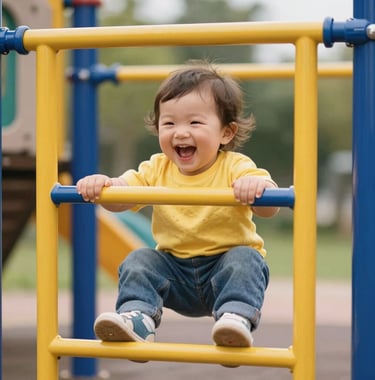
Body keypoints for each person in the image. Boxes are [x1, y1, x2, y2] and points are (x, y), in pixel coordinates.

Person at [77, 61, 279, 348]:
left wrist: (257, 188)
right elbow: (122, 196)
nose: (180, 132)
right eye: (169, 123)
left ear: (226, 132)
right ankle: (139, 319)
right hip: (174, 274)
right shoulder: (156, 168)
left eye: (195, 122)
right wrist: (104, 186)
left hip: (222, 274)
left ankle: (235, 319)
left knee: (246, 259)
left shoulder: (236, 167)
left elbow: (269, 207)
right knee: (139, 260)